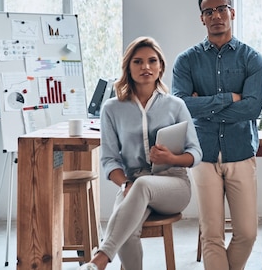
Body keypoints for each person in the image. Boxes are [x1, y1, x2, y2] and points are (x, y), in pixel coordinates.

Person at [78, 36, 202, 270]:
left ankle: (99, 260)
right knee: (126, 231)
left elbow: (195, 153)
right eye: (138, 61)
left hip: (173, 184)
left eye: (152, 61)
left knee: (143, 185)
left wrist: (171, 158)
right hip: (131, 185)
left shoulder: (176, 105)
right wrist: (125, 185)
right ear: (128, 67)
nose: (146, 67)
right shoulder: (111, 108)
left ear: (160, 67)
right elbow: (109, 159)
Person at [172, 0, 262, 270]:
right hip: (203, 153)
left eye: (221, 9)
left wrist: (205, 104)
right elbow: (181, 106)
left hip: (240, 152)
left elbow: (251, 108)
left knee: (247, 233)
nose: (216, 16)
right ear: (201, 19)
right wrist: (228, 98)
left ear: (232, 13)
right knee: (211, 234)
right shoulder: (186, 60)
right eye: (208, 11)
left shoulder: (251, 58)